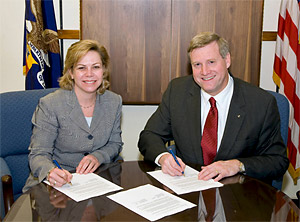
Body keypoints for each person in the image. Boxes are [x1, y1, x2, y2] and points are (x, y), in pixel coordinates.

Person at [138, 32, 289, 184]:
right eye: (197, 64)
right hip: (189, 192)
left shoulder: (260, 103)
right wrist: (163, 157)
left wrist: (238, 165)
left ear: (227, 60)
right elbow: (149, 136)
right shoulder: (177, 92)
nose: (204, 71)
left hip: (238, 196)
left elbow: (277, 161)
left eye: (211, 62)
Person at [23, 40, 123, 192]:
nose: (89, 74)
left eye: (95, 67)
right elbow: (39, 154)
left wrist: (98, 156)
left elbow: (115, 143)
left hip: (96, 182)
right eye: (81, 68)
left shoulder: (114, 101)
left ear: (103, 70)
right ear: (71, 72)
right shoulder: (50, 104)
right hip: (56, 185)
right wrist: (50, 171)